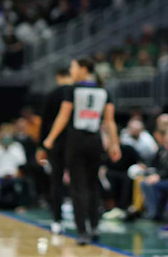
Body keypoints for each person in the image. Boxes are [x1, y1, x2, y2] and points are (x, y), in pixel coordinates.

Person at [43, 58, 122, 245]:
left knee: (77, 186)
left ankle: (82, 231)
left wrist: (50, 139)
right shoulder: (104, 91)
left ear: (83, 69)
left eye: (74, 67)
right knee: (93, 183)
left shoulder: (73, 89)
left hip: (76, 140)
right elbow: (110, 121)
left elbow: (63, 117)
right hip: (94, 140)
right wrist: (114, 144)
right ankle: (95, 226)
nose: (72, 70)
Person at [40, 67, 74, 233]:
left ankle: (57, 219)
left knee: (56, 181)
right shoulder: (76, 92)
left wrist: (43, 144)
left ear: (58, 76)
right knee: (79, 181)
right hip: (76, 142)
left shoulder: (52, 94)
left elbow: (44, 121)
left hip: (56, 143)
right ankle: (84, 218)